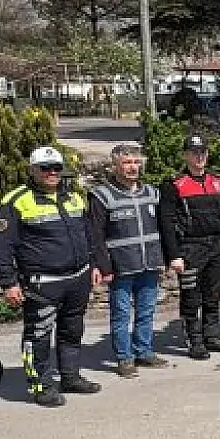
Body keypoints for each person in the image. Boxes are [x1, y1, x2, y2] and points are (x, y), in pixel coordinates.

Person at [0, 146, 101, 407]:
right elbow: (2, 246)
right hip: (42, 283)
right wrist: (8, 282)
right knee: (38, 336)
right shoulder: (17, 201)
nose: (52, 173)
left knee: (72, 331)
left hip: (78, 277)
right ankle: (40, 385)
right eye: (45, 168)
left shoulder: (74, 197)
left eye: (56, 168)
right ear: (33, 170)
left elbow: (89, 235)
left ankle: (70, 377)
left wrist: (95, 265)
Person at [87, 144, 167, 378]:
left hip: (149, 263)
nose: (133, 167)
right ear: (115, 166)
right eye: (127, 163)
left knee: (146, 311)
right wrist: (103, 266)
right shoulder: (102, 195)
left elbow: (164, 227)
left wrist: (165, 257)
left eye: (136, 162)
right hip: (120, 267)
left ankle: (144, 351)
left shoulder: (152, 193)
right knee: (121, 314)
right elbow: (95, 234)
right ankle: (124, 358)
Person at [160, 135, 220, 361]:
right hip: (190, 249)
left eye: (202, 152)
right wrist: (174, 255)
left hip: (215, 248)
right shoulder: (175, 185)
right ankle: (194, 341)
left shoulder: (218, 182)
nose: (199, 157)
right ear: (186, 155)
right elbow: (166, 223)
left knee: (213, 296)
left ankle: (211, 336)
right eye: (194, 153)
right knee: (191, 298)